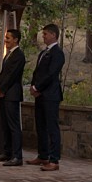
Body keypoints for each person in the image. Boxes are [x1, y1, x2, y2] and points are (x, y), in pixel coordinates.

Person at [29, 23, 65, 171]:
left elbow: (51, 74)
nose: (43, 37)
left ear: (53, 35)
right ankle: (43, 155)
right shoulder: (43, 53)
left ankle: (54, 159)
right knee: (41, 126)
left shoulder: (58, 53)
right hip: (40, 95)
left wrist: (38, 87)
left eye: (45, 34)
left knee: (52, 127)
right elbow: (37, 72)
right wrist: (33, 86)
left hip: (50, 95)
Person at [0, 28, 25, 167]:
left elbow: (12, 75)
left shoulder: (19, 55)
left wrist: (2, 88)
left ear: (16, 39)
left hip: (12, 94)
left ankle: (17, 156)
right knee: (5, 124)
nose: (5, 41)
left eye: (8, 38)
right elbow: (4, 73)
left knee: (13, 125)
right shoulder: (9, 54)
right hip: (5, 93)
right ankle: (7, 152)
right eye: (5, 38)